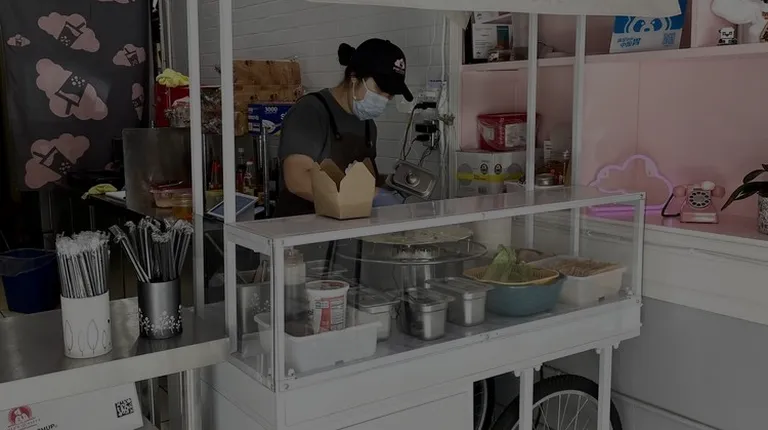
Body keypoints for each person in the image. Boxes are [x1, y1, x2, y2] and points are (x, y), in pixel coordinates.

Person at [274, 38, 412, 217]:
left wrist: (390, 185)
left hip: (345, 229)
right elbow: (297, 180)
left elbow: (357, 177)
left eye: (390, 94)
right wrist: (368, 196)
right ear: (354, 77)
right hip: (302, 227)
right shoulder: (310, 111)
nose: (384, 99)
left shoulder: (367, 124)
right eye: (380, 89)